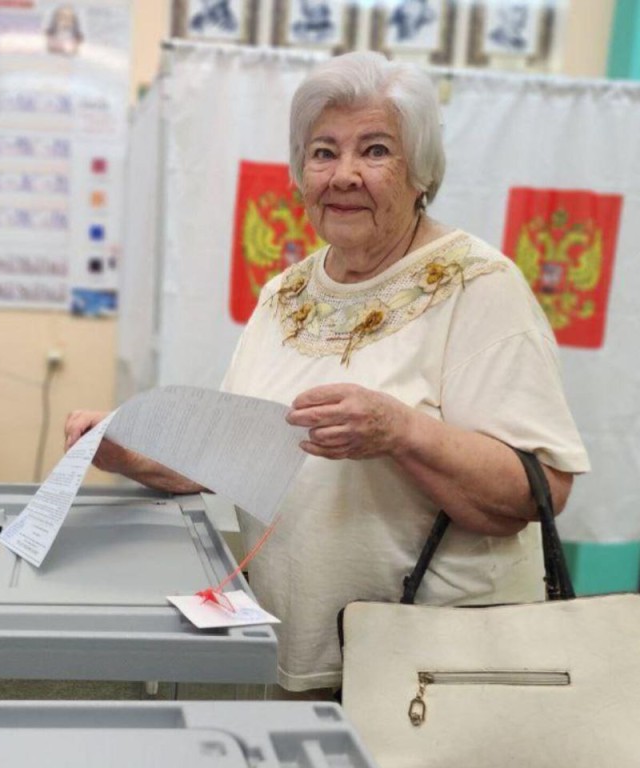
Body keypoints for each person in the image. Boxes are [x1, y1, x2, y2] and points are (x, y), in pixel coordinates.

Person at [64, 51, 588, 698]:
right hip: (300, 647)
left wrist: (401, 431)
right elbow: (238, 452)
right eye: (322, 152)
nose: (343, 175)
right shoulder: (286, 294)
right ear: (299, 173)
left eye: (374, 151)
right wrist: (130, 449)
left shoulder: (479, 287)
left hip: (433, 672)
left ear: (420, 171)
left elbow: (542, 489)